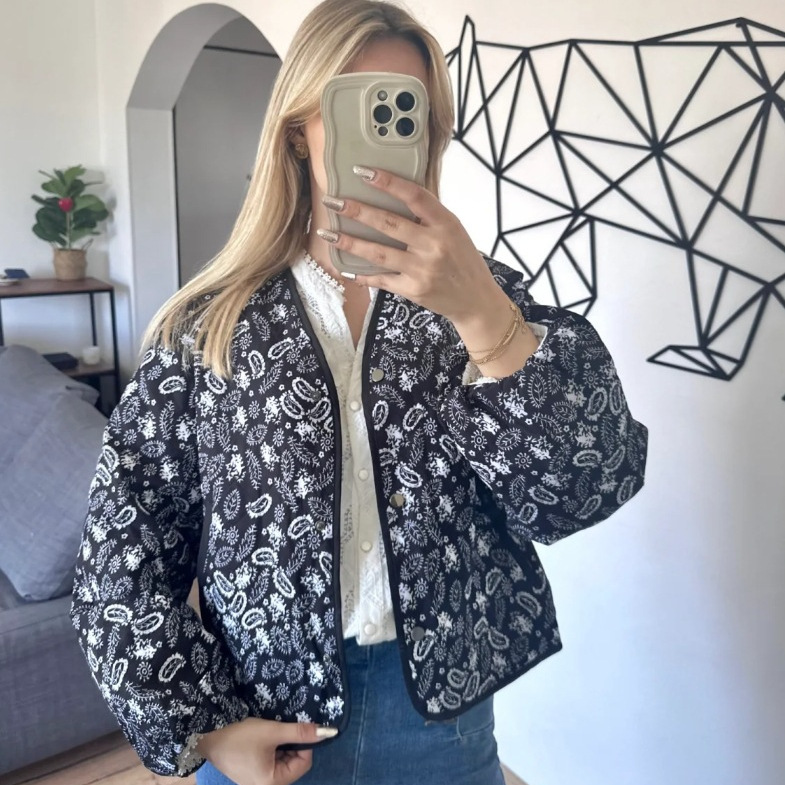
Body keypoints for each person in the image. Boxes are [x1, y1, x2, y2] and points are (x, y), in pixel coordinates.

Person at [69, 1, 648, 784]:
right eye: (355, 103)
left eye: (407, 111)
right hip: (261, 717)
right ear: (297, 131)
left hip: (440, 721)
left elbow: (579, 494)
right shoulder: (209, 326)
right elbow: (121, 546)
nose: (385, 132)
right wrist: (204, 726)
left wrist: (484, 316)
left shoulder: (485, 302)